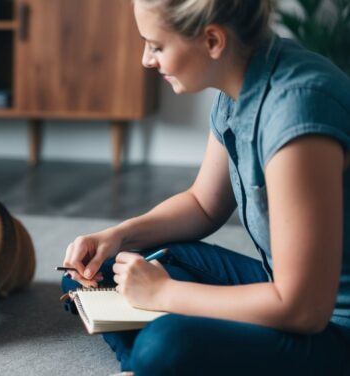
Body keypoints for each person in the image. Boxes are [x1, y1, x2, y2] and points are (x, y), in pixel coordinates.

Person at [61, 0, 350, 374]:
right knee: (94, 271)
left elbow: (304, 309)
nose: (146, 60)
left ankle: (147, 363)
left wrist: (165, 294)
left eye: (156, 45)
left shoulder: (298, 111)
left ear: (213, 40)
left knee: (164, 345)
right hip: (283, 288)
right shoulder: (241, 83)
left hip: (332, 324)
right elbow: (203, 204)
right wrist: (117, 236)